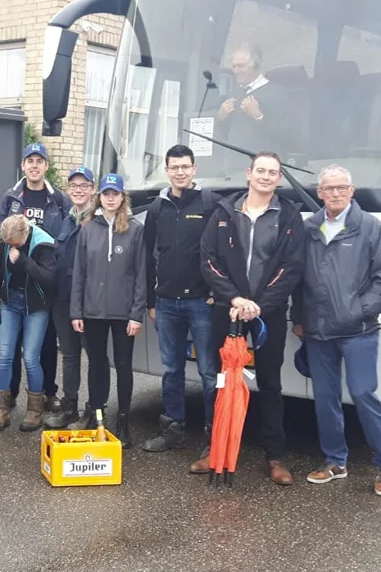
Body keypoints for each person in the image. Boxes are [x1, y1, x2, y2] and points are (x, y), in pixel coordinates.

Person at [291, 165, 381, 496]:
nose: (335, 193)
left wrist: (359, 311)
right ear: (319, 193)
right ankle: (335, 461)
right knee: (325, 398)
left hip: (358, 331)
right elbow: (299, 279)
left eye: (341, 188)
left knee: (363, 394)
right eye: (328, 188)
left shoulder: (370, 226)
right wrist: (299, 318)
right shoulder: (310, 227)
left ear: (352, 191)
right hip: (318, 331)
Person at [199, 152, 305, 485]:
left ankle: (275, 456)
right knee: (221, 381)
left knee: (270, 383)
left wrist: (258, 305)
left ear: (279, 178)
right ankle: (215, 449)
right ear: (249, 173)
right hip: (227, 309)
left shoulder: (289, 216)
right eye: (261, 170)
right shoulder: (223, 212)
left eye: (273, 172)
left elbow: (292, 268)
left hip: (267, 314)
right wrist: (235, 298)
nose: (266, 177)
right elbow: (208, 260)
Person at [142, 145, 219, 454]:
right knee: (171, 369)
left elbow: (221, 252)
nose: (180, 172)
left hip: (201, 303)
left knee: (209, 373)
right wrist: (151, 301)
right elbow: (148, 258)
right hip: (166, 304)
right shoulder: (156, 209)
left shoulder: (210, 204)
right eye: (174, 167)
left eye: (185, 166)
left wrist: (217, 292)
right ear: (167, 170)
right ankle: (173, 428)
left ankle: (215, 436)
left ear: (194, 168)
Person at [70, 174, 146, 445]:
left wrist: (136, 314)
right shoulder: (88, 228)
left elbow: (141, 275)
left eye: (115, 193)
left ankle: (123, 421)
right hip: (93, 311)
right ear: (99, 197)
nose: (110, 198)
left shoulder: (135, 230)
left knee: (123, 365)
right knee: (97, 364)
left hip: (123, 312)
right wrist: (76, 311)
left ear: (123, 196)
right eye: (106, 193)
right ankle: (96, 415)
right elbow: (79, 273)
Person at [0, 143, 69, 413]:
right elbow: (1, 236)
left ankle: (48, 393)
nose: (35, 166)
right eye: (30, 161)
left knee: (46, 344)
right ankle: (11, 393)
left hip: (43, 284)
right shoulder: (11, 197)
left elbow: (63, 237)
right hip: (17, 282)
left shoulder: (58, 199)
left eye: (39, 161)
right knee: (12, 347)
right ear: (23, 166)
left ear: (46, 166)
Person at [0, 214, 58, 432]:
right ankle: (1, 409)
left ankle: (35, 410)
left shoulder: (44, 244)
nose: (12, 247)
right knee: (4, 356)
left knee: (31, 358)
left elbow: (49, 279)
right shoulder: (4, 243)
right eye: (9, 244)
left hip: (36, 305)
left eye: (16, 243)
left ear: (26, 234)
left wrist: (25, 262)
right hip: (10, 302)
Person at [43, 166, 96, 429]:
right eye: (74, 186)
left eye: (84, 185)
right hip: (63, 300)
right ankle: (70, 408)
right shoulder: (66, 220)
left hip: (89, 302)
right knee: (70, 356)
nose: (78, 190)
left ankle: (94, 411)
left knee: (95, 358)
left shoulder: (98, 221)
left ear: (92, 189)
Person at [215, 44, 296, 157]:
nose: (236, 71)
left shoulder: (277, 93)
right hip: (233, 164)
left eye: (241, 66)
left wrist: (259, 117)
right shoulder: (234, 93)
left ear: (256, 66)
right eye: (234, 66)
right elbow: (225, 136)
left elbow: (288, 136)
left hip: (263, 164)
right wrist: (221, 118)